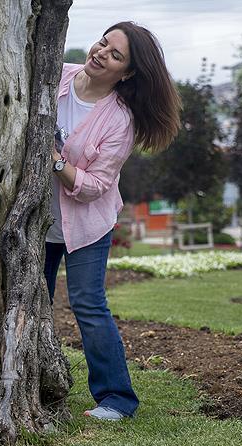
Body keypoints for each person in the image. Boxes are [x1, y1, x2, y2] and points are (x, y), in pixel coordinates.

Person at [45, 22, 181, 421]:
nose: (102, 53)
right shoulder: (57, 76)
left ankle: (117, 400)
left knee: (88, 305)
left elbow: (95, 186)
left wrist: (55, 161)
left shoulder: (119, 120)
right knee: (30, 301)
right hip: (35, 223)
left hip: (86, 225)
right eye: (103, 43)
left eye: (115, 54)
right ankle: (28, 384)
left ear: (127, 73)